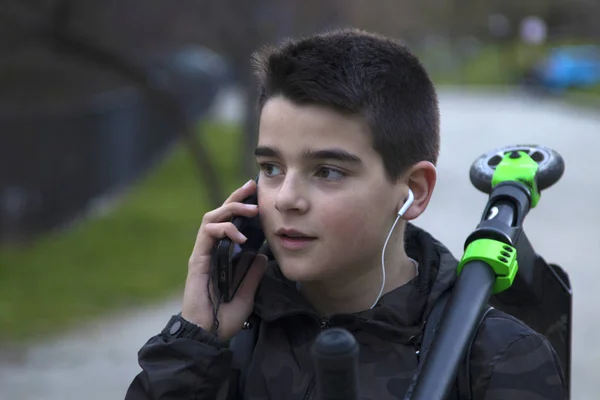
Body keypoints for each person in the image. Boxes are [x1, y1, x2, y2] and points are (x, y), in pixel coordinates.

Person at [125, 28, 567, 400]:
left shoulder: (494, 360)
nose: (285, 199)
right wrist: (195, 340)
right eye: (271, 168)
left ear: (412, 192)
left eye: (327, 171)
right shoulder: (230, 339)